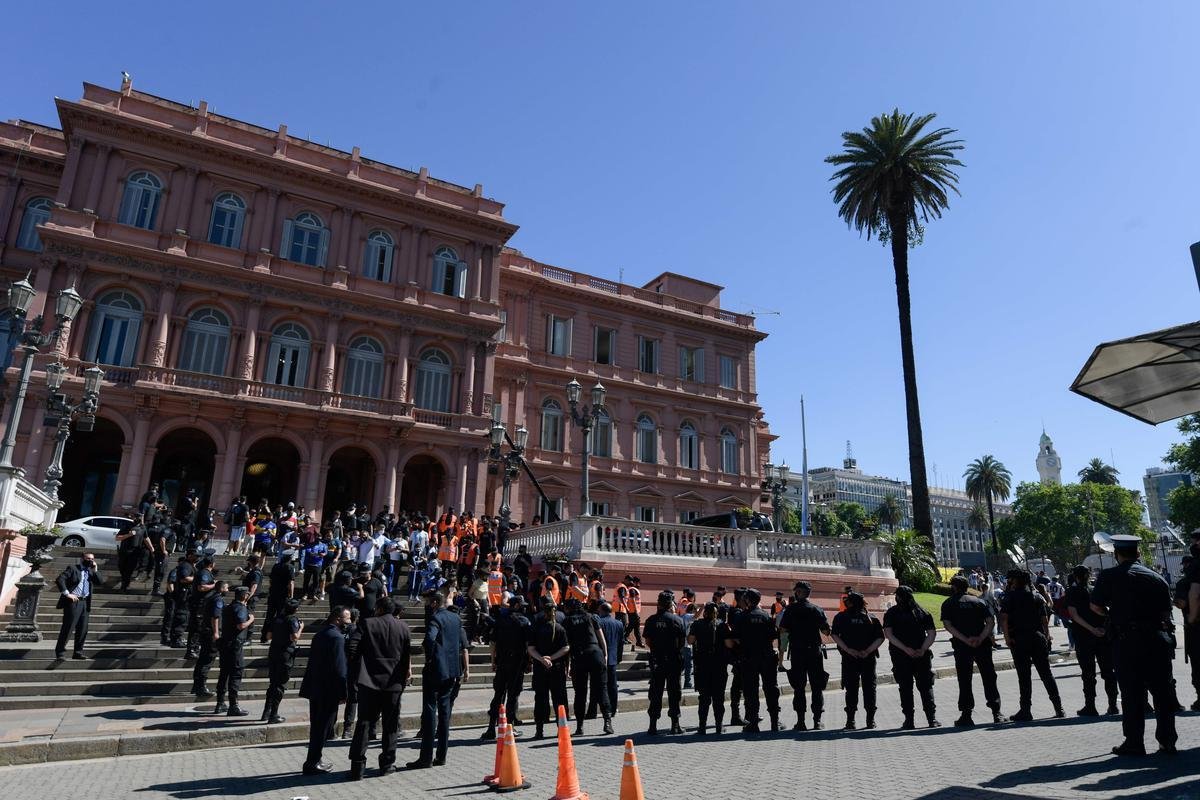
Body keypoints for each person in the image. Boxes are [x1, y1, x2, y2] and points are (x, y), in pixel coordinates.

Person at [1090, 534, 1179, 756]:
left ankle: (1134, 742)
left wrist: (1114, 612)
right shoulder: (1157, 578)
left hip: (1127, 641)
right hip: (1156, 639)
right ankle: (1167, 741)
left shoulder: (1109, 576)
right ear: (1138, 553)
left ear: (1117, 554)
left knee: (1131, 694)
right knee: (1162, 692)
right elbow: (1167, 613)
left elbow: (1096, 606)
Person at [347, 596, 412, 779]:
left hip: (369, 681)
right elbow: (406, 656)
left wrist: (357, 670)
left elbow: (352, 647)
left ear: (380, 608)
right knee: (390, 724)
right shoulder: (403, 627)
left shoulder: (367, 623)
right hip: (394, 683)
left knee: (365, 723)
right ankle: (387, 764)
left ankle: (357, 766)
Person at [412, 589, 469, 768]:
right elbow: (460, 644)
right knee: (445, 713)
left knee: (430, 711)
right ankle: (441, 755)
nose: (427, 606)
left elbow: (429, 639)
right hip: (452, 671)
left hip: (436, 669)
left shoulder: (435, 618)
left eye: (429, 603)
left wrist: (430, 657)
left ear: (435, 603)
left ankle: (426, 758)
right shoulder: (456, 618)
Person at [941, 575, 1006, 727]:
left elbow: (948, 626)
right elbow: (990, 622)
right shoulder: (979, 601)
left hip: (962, 646)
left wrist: (965, 639)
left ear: (954, 587)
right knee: (989, 676)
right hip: (982, 644)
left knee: (964, 679)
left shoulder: (949, 603)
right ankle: (997, 712)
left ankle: (966, 714)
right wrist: (980, 638)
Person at [1000, 569, 1064, 721]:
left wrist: (1007, 638)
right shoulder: (1036, 596)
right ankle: (1058, 707)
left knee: (1024, 676)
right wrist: (1047, 636)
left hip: (1020, 639)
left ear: (1015, 581)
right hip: (1038, 637)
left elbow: (1003, 619)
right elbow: (1044, 620)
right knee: (1046, 674)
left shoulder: (1010, 597)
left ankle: (1025, 710)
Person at [299, 606, 350, 775]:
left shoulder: (320, 634)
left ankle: (314, 759)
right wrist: (343, 692)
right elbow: (340, 669)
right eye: (346, 619)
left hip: (315, 687)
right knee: (323, 727)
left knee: (317, 726)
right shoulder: (337, 638)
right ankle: (313, 762)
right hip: (328, 690)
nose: (348, 623)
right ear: (337, 619)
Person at [883, 586, 940, 729]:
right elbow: (932, 634)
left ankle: (909, 720)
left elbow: (889, 634)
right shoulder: (922, 612)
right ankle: (931, 719)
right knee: (926, 687)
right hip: (921, 655)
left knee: (905, 687)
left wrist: (905, 649)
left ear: (899, 597)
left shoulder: (892, 613)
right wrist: (922, 649)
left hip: (901, 656)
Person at [1066, 564, 1118, 716]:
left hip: (1084, 636)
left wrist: (1091, 629)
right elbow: (1106, 610)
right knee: (1108, 671)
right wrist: (1101, 628)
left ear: (1075, 576)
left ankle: (1090, 706)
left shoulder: (1072, 592)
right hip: (1102, 635)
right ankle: (1112, 705)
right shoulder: (1095, 589)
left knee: (1088, 674)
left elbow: (1074, 615)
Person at [778, 580, 830, 731]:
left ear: (800, 592)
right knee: (817, 687)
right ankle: (817, 721)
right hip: (814, 651)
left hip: (798, 652)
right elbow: (826, 631)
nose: (795, 593)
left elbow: (783, 630)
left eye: (796, 591)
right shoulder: (817, 609)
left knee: (799, 687)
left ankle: (801, 721)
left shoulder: (791, 610)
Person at [831, 591, 884, 730]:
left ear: (850, 602)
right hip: (868, 658)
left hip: (850, 659)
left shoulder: (841, 617)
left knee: (851, 690)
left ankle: (850, 721)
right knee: (870, 689)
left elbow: (835, 635)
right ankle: (870, 721)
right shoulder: (871, 618)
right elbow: (880, 638)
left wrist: (848, 650)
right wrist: (867, 651)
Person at [731, 587, 781, 733]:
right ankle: (774, 722)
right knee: (771, 689)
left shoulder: (742, 616)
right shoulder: (766, 616)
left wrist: (747, 644)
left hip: (749, 657)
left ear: (747, 600)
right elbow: (773, 636)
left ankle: (753, 723)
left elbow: (735, 637)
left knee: (750, 691)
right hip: (767, 657)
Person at [562, 597, 612, 735]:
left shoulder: (567, 621)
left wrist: (568, 665)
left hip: (579, 656)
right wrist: (605, 655)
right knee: (601, 688)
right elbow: (601, 637)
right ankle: (607, 722)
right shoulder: (591, 617)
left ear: (569, 608)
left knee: (580, 693)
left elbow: (567, 645)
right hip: (596, 653)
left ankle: (580, 727)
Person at [484, 595, 532, 739]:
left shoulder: (500, 621)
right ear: (516, 606)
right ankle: (510, 727)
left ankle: (491, 727)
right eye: (522, 605)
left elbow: (493, 643)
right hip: (517, 662)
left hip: (502, 661)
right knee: (512, 695)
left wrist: (493, 661)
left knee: (498, 694)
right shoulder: (524, 621)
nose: (524, 607)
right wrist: (529, 662)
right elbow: (528, 645)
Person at [643, 589, 686, 735]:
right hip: (673, 661)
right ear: (671, 604)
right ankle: (675, 725)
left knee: (655, 693)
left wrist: (657, 650)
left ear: (658, 603)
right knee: (674, 693)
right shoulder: (677, 620)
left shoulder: (650, 620)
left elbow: (648, 641)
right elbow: (682, 643)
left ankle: (652, 726)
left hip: (657, 661)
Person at [527, 599, 570, 740]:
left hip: (540, 669)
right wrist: (552, 658)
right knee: (559, 700)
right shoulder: (560, 629)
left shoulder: (537, 628)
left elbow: (530, 649)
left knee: (540, 699)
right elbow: (566, 648)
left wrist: (542, 659)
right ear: (554, 612)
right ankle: (561, 729)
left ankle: (539, 731)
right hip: (556, 668)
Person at [688, 601, 728, 734]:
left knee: (704, 698)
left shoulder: (697, 624)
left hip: (702, 666)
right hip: (719, 666)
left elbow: (690, 640)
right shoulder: (722, 625)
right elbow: (729, 644)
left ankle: (702, 727)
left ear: (705, 612)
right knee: (718, 698)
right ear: (716, 613)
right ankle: (718, 726)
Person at [262, 597, 303, 723]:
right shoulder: (293, 620)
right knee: (280, 685)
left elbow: (268, 636)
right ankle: (273, 714)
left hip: (274, 652)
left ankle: (266, 712)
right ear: (295, 609)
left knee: (273, 683)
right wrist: (301, 627)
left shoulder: (277, 618)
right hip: (285, 655)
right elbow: (294, 637)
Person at [214, 586, 253, 716]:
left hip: (225, 644)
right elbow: (240, 625)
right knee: (235, 674)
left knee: (224, 674)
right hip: (235, 646)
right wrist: (251, 619)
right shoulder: (241, 608)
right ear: (245, 595)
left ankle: (220, 703)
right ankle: (233, 705)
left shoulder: (228, 607)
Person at [54, 553, 100, 661]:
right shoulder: (73, 568)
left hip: (85, 603)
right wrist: (67, 593)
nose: (90, 561)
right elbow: (60, 579)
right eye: (88, 558)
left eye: (92, 559)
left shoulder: (90, 571)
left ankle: (78, 652)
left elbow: (100, 581)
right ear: (82, 559)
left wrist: (95, 569)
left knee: (83, 629)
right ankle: (60, 652)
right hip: (73, 601)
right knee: (68, 627)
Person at [190, 579, 227, 699]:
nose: (227, 590)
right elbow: (215, 617)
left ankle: (196, 685)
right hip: (211, 633)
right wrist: (216, 633)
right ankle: (201, 687)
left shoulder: (210, 597)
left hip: (205, 631)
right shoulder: (218, 599)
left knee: (202, 659)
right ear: (221, 588)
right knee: (207, 659)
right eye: (226, 588)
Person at [593, 601, 624, 721]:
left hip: (601, 657)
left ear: (601, 610)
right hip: (613, 658)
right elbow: (621, 642)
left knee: (600, 684)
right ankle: (614, 708)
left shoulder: (599, 622)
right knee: (612, 685)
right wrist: (619, 657)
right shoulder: (618, 623)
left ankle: (600, 709)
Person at [184, 552, 216, 658]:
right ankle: (192, 650)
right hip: (199, 605)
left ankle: (195, 648)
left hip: (202, 604)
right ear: (212, 564)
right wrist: (214, 585)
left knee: (199, 628)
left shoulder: (205, 573)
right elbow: (201, 587)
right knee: (196, 628)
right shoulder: (204, 573)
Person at [261, 550, 296, 643]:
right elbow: (291, 582)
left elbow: (271, 580)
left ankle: (264, 636)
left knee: (269, 615)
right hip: (283, 595)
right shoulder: (290, 567)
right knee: (280, 616)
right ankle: (275, 635)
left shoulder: (276, 566)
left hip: (273, 594)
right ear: (290, 557)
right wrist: (291, 595)